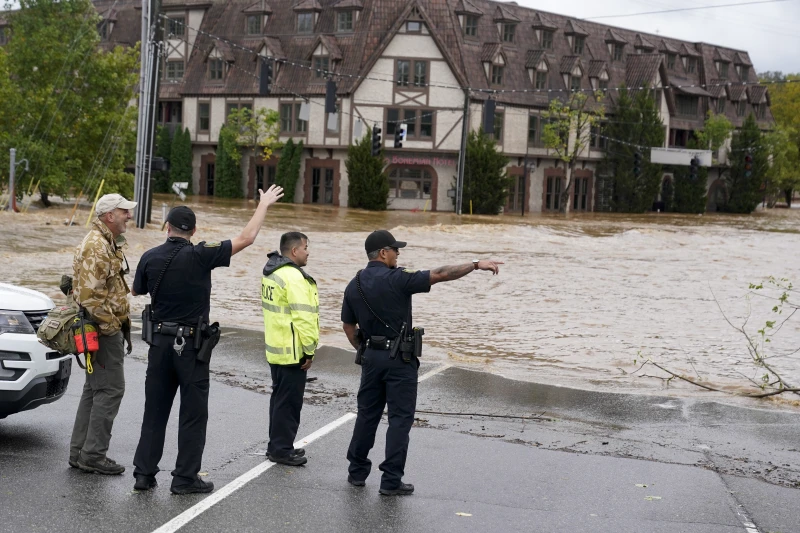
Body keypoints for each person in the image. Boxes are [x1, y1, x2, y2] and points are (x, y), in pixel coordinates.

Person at [130, 185, 284, 495]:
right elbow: (247, 238)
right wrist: (264, 203)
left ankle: (144, 475)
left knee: (155, 412)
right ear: (194, 230)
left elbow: (135, 291)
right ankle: (185, 478)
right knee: (193, 414)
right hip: (191, 348)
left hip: (159, 345)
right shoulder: (202, 254)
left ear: (167, 227)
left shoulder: (149, 257)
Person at [341, 230, 501, 496]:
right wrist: (475, 265)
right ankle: (390, 481)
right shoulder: (398, 279)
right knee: (399, 420)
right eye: (395, 249)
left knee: (367, 416)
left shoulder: (353, 284)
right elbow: (440, 273)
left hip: (371, 358)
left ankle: (356, 473)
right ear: (383, 253)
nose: (398, 253)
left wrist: (367, 351)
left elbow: (348, 326)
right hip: (399, 360)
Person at [69, 193, 137, 475]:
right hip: (101, 330)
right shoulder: (97, 246)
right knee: (110, 390)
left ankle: (81, 453)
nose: (129, 216)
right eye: (125, 212)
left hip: (97, 328)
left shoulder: (104, 242)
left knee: (95, 389)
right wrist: (112, 329)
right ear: (110, 216)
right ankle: (93, 455)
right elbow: (90, 297)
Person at [261, 232, 319, 466]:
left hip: (276, 349)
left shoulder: (272, 272)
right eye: (306, 247)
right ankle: (281, 450)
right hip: (293, 352)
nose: (308, 251)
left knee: (279, 400)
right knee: (289, 404)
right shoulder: (294, 278)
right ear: (294, 251)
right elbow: (304, 318)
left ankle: (276, 445)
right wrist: (309, 351)